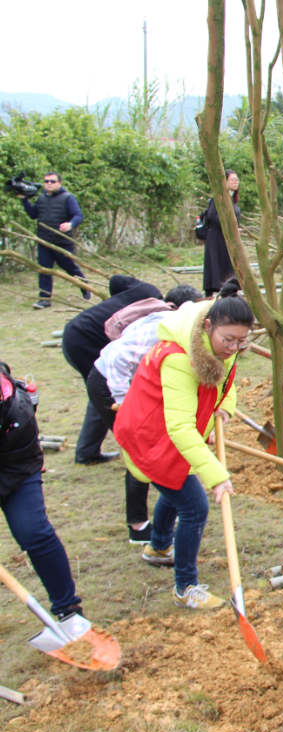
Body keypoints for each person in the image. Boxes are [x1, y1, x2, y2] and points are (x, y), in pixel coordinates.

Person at [113, 282, 253, 610]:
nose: (233, 347)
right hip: (151, 437)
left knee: (175, 488)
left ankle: (158, 547)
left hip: (173, 434)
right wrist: (216, 475)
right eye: (227, 339)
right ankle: (185, 587)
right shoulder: (179, 359)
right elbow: (178, 427)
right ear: (208, 326)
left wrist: (225, 406)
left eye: (241, 340)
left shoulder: (220, 346)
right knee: (194, 506)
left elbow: (226, 381)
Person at [88, 284, 204, 543]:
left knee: (148, 446)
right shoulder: (163, 328)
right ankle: (138, 525)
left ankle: (162, 517)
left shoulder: (178, 324)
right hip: (109, 382)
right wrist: (123, 400)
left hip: (131, 382)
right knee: (138, 447)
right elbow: (119, 356)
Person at [0, 360, 84, 620]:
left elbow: (22, 459)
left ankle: (68, 610)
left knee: (33, 531)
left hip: (14, 463)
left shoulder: (16, 410)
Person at [61, 276, 164, 465]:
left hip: (74, 331)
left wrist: (114, 303)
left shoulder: (146, 290)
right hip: (85, 340)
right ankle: (92, 451)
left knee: (103, 390)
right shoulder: (160, 311)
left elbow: (116, 280)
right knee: (103, 389)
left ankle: (89, 450)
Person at [20, 170, 86, 309]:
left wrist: (70, 224)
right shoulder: (42, 198)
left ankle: (85, 287)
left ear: (59, 183)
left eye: (52, 181)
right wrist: (24, 199)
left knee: (70, 269)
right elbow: (33, 215)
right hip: (44, 242)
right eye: (46, 181)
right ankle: (44, 299)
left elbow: (78, 215)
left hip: (62, 242)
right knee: (44, 270)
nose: (49, 184)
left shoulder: (68, 198)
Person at [202, 170, 241, 297]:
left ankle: (229, 291)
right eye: (233, 180)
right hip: (217, 238)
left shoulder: (231, 199)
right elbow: (212, 215)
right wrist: (230, 228)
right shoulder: (218, 197)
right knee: (217, 265)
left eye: (237, 180)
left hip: (228, 239)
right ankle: (213, 294)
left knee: (229, 265)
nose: (236, 182)